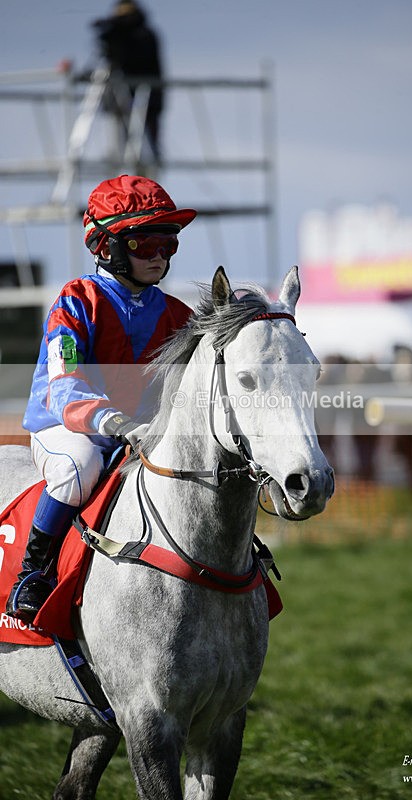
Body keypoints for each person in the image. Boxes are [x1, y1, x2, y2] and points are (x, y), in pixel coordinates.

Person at [6, 174, 196, 624]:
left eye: (168, 243)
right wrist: (112, 421)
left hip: (138, 433)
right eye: (145, 243)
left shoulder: (179, 315)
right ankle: (32, 575)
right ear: (106, 246)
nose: (160, 256)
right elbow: (65, 383)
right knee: (79, 467)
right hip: (66, 428)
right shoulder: (75, 301)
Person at [92, 0, 164, 161]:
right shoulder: (118, 35)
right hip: (120, 98)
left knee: (146, 147)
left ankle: (145, 167)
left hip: (146, 98)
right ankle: (120, 163)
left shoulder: (145, 35)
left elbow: (138, 59)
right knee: (118, 140)